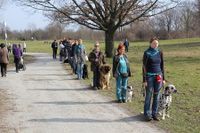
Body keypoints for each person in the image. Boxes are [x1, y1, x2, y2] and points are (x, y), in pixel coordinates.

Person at [142, 37, 165, 121]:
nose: (155, 45)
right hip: (149, 77)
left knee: (157, 95)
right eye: (154, 43)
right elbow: (144, 67)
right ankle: (147, 113)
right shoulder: (146, 53)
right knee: (148, 95)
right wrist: (144, 80)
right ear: (150, 43)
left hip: (159, 76)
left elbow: (162, 65)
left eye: (157, 43)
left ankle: (154, 113)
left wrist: (163, 78)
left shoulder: (160, 52)